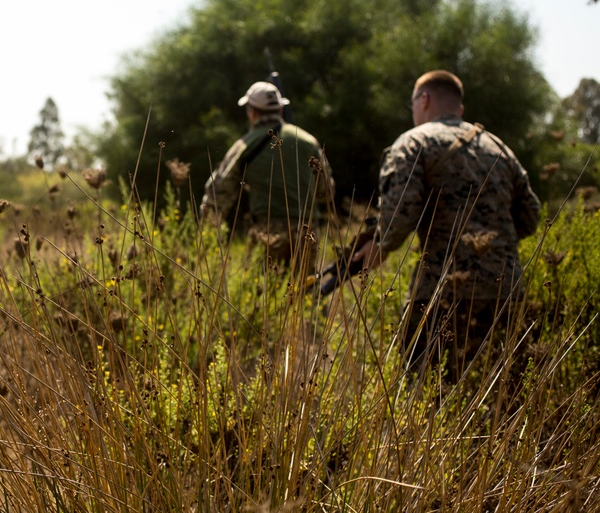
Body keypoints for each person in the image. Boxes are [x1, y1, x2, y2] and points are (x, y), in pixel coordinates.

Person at [356, 70, 541, 381]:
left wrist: (380, 245)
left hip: (442, 290)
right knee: (501, 391)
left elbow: (400, 213)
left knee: (425, 389)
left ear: (424, 99)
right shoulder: (498, 147)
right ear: (460, 109)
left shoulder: (414, 142)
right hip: (506, 289)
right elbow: (531, 216)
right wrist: (491, 244)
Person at [201, 81, 332, 268]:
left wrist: (207, 235)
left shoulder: (245, 145)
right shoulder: (309, 141)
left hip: (267, 234)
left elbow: (218, 192)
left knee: (266, 293)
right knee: (305, 291)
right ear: (280, 109)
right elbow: (327, 191)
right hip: (307, 233)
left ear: (251, 111)